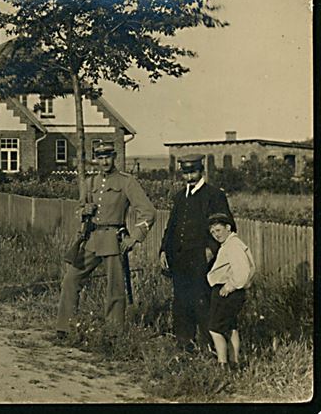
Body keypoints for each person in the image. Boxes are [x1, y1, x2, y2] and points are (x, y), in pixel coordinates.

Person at [56, 143, 156, 338]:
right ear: (96, 159)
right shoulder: (90, 182)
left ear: (114, 157)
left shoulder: (127, 182)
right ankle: (65, 328)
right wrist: (83, 211)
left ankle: (113, 333)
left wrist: (134, 238)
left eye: (107, 157)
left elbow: (148, 212)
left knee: (115, 288)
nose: (104, 162)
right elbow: (79, 207)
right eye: (100, 158)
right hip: (91, 239)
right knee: (71, 279)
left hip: (113, 240)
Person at [159, 154, 236, 352]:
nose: (189, 177)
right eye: (185, 173)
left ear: (201, 171)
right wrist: (163, 251)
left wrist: (211, 249)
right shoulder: (179, 197)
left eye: (192, 172)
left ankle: (208, 348)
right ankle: (185, 345)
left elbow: (226, 226)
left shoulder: (213, 195)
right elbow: (171, 227)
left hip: (202, 261)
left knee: (202, 302)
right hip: (180, 260)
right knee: (181, 303)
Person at [206, 212, 255, 369]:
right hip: (233, 291)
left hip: (226, 291)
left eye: (218, 230)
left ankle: (223, 364)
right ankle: (234, 362)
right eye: (212, 232)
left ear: (228, 227)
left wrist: (230, 285)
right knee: (231, 327)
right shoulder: (232, 244)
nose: (215, 235)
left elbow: (243, 270)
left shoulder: (233, 245)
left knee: (214, 328)